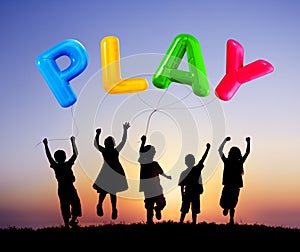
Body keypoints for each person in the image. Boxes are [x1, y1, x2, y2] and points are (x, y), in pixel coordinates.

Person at [92, 122, 130, 220]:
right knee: (105, 192)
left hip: (114, 173)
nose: (109, 144)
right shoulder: (106, 151)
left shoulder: (113, 151)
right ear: (107, 144)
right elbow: (96, 145)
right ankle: (101, 205)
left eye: (109, 143)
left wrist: (125, 131)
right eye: (107, 143)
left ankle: (113, 209)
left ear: (112, 144)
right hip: (108, 173)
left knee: (112, 192)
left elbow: (123, 142)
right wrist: (97, 134)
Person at [42, 136, 82, 229]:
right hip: (67, 188)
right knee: (73, 204)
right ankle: (70, 223)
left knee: (67, 206)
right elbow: (75, 154)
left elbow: (49, 156)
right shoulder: (65, 165)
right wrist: (73, 142)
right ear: (64, 157)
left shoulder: (57, 165)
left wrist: (46, 145)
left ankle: (69, 223)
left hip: (64, 189)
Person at [138, 135, 172, 225]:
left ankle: (157, 209)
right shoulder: (144, 162)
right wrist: (143, 142)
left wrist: (167, 176)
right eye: (152, 152)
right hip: (149, 187)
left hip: (155, 187)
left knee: (161, 203)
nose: (154, 153)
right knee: (149, 205)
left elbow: (161, 172)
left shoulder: (154, 164)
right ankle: (149, 221)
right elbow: (141, 152)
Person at [218, 136, 251, 225]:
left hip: (231, 186)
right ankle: (228, 211)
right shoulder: (233, 162)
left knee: (229, 203)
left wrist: (225, 141)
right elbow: (247, 153)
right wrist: (248, 142)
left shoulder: (230, 162)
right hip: (233, 186)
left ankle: (231, 218)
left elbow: (219, 151)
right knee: (229, 204)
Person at [178, 143, 211, 224]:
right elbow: (181, 185)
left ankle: (184, 222)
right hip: (192, 193)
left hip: (191, 193)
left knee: (189, 210)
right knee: (189, 210)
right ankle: (191, 223)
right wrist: (207, 149)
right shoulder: (195, 170)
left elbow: (181, 186)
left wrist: (207, 149)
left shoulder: (188, 171)